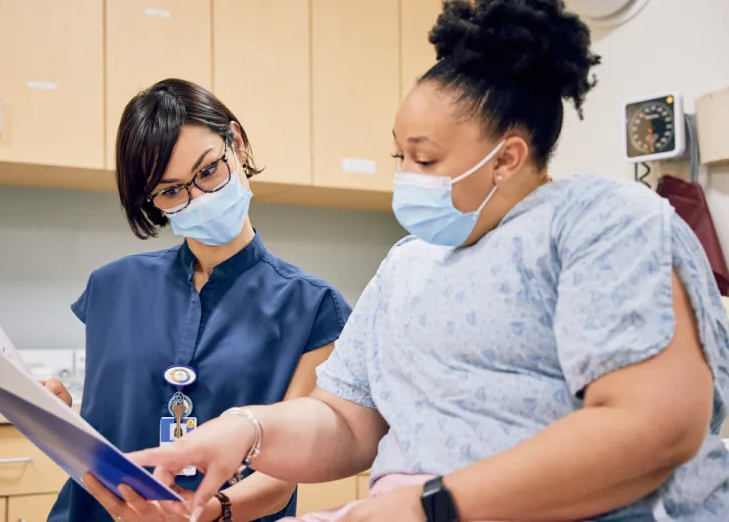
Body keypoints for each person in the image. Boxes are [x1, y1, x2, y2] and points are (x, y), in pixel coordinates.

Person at [128, 1, 729, 521]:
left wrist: (433, 504)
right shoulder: (409, 264)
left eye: (424, 158)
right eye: (398, 155)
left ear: (505, 157)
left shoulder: (603, 223)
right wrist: (247, 431)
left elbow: (654, 427)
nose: (404, 178)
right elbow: (346, 422)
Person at [44, 78, 353, 522]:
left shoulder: (313, 308)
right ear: (154, 202)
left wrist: (205, 512)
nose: (200, 199)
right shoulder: (112, 286)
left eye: (209, 171)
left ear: (237, 144)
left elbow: (282, 479)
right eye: (171, 191)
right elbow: (112, 419)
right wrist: (57, 417)